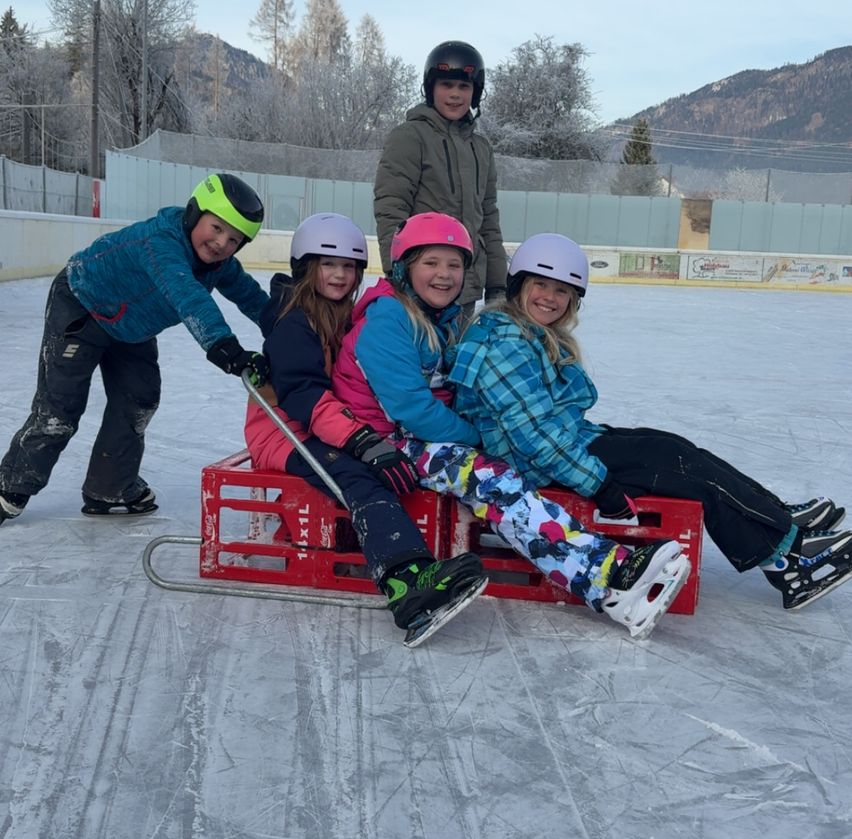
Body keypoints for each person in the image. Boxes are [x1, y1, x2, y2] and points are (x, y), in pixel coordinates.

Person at [331, 212, 691, 640]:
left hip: (413, 440)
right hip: (383, 445)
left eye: (454, 265)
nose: (444, 275)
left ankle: (600, 573)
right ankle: (609, 577)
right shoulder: (387, 321)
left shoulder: (435, 319)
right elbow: (413, 410)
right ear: (405, 268)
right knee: (491, 478)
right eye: (431, 263)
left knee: (505, 475)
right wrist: (479, 437)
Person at [448, 232, 852, 611]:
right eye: (541, 285)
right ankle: (787, 562)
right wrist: (599, 485)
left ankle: (778, 515)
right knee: (683, 472)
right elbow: (534, 435)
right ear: (520, 284)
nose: (551, 298)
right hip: (535, 463)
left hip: (566, 442)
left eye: (563, 291)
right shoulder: (503, 341)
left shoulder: (526, 333)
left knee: (672, 446)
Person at [243, 212, 486, 644]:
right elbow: (303, 395)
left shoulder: (343, 313)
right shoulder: (294, 321)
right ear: (305, 267)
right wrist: (363, 441)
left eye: (349, 266)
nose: (339, 275)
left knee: (377, 468)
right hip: (285, 431)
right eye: (327, 264)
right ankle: (407, 584)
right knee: (359, 477)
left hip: (322, 427)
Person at [0, 173, 270, 525]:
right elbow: (186, 295)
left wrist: (283, 328)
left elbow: (251, 297)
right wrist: (226, 347)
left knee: (139, 398)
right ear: (194, 213)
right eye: (216, 228)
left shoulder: (219, 267)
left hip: (132, 328)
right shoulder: (161, 242)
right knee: (60, 409)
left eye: (233, 239)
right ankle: (11, 485)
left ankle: (109, 486)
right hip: (84, 305)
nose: (221, 243)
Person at [373, 40, 506, 319]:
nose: (455, 95)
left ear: (475, 92)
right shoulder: (410, 137)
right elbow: (391, 207)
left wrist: (497, 283)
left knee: (458, 360)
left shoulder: (481, 149)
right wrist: (396, 270)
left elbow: (489, 221)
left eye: (464, 86)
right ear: (431, 87)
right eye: (447, 85)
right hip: (420, 283)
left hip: (464, 285)